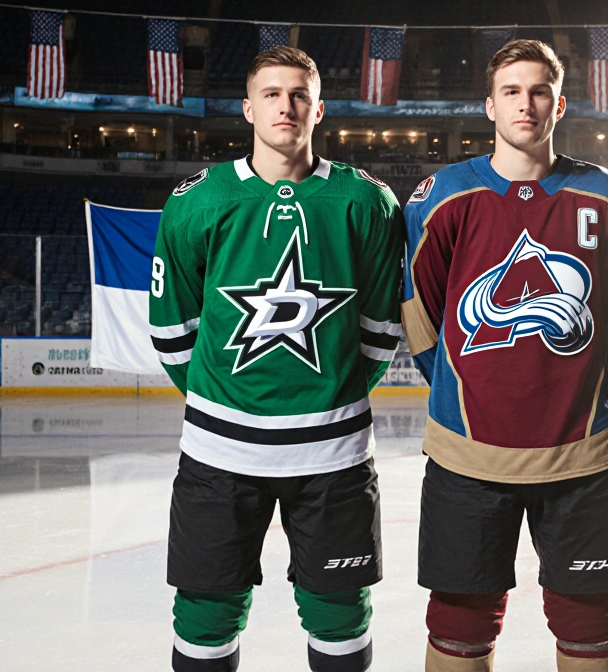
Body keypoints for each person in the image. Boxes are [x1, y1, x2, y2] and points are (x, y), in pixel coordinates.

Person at [149, 46, 405, 672]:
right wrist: (222, 402)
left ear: (319, 108)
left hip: (333, 453)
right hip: (219, 453)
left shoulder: (366, 202)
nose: (284, 106)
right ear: (248, 108)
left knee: (339, 610)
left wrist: (328, 396)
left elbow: (378, 332)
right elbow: (171, 329)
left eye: (297, 94)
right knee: (206, 609)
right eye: (271, 94)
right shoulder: (197, 201)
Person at [401, 40, 608, 672]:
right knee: (459, 624)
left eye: (539, 90)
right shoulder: (441, 198)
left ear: (560, 103)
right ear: (489, 105)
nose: (526, 104)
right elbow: (420, 313)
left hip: (582, 454)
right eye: (511, 91)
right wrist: (466, 389)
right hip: (467, 453)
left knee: (590, 625)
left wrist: (580, 386)